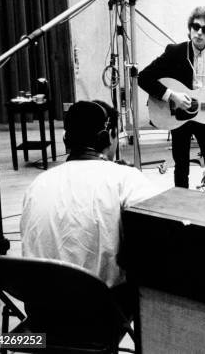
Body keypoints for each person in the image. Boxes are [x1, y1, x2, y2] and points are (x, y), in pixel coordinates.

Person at [21, 100, 161, 290]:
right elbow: (159, 235)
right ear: (108, 137)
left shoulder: (37, 184)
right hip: (100, 311)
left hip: (42, 309)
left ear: (66, 139)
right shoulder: (126, 179)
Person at [139, 6, 205, 193]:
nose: (199, 33)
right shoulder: (174, 52)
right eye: (196, 27)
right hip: (178, 116)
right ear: (189, 29)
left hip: (204, 116)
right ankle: (182, 208)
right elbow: (143, 77)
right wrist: (172, 95)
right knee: (181, 166)